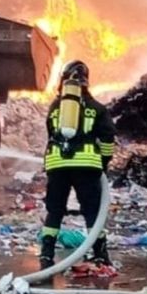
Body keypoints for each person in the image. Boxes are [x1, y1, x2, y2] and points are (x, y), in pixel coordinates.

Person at [39, 60, 117, 269]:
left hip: (57, 164)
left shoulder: (56, 108)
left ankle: (46, 256)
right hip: (87, 166)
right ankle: (101, 256)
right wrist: (103, 163)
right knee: (92, 211)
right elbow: (108, 139)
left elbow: (50, 136)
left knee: (54, 211)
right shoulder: (97, 108)